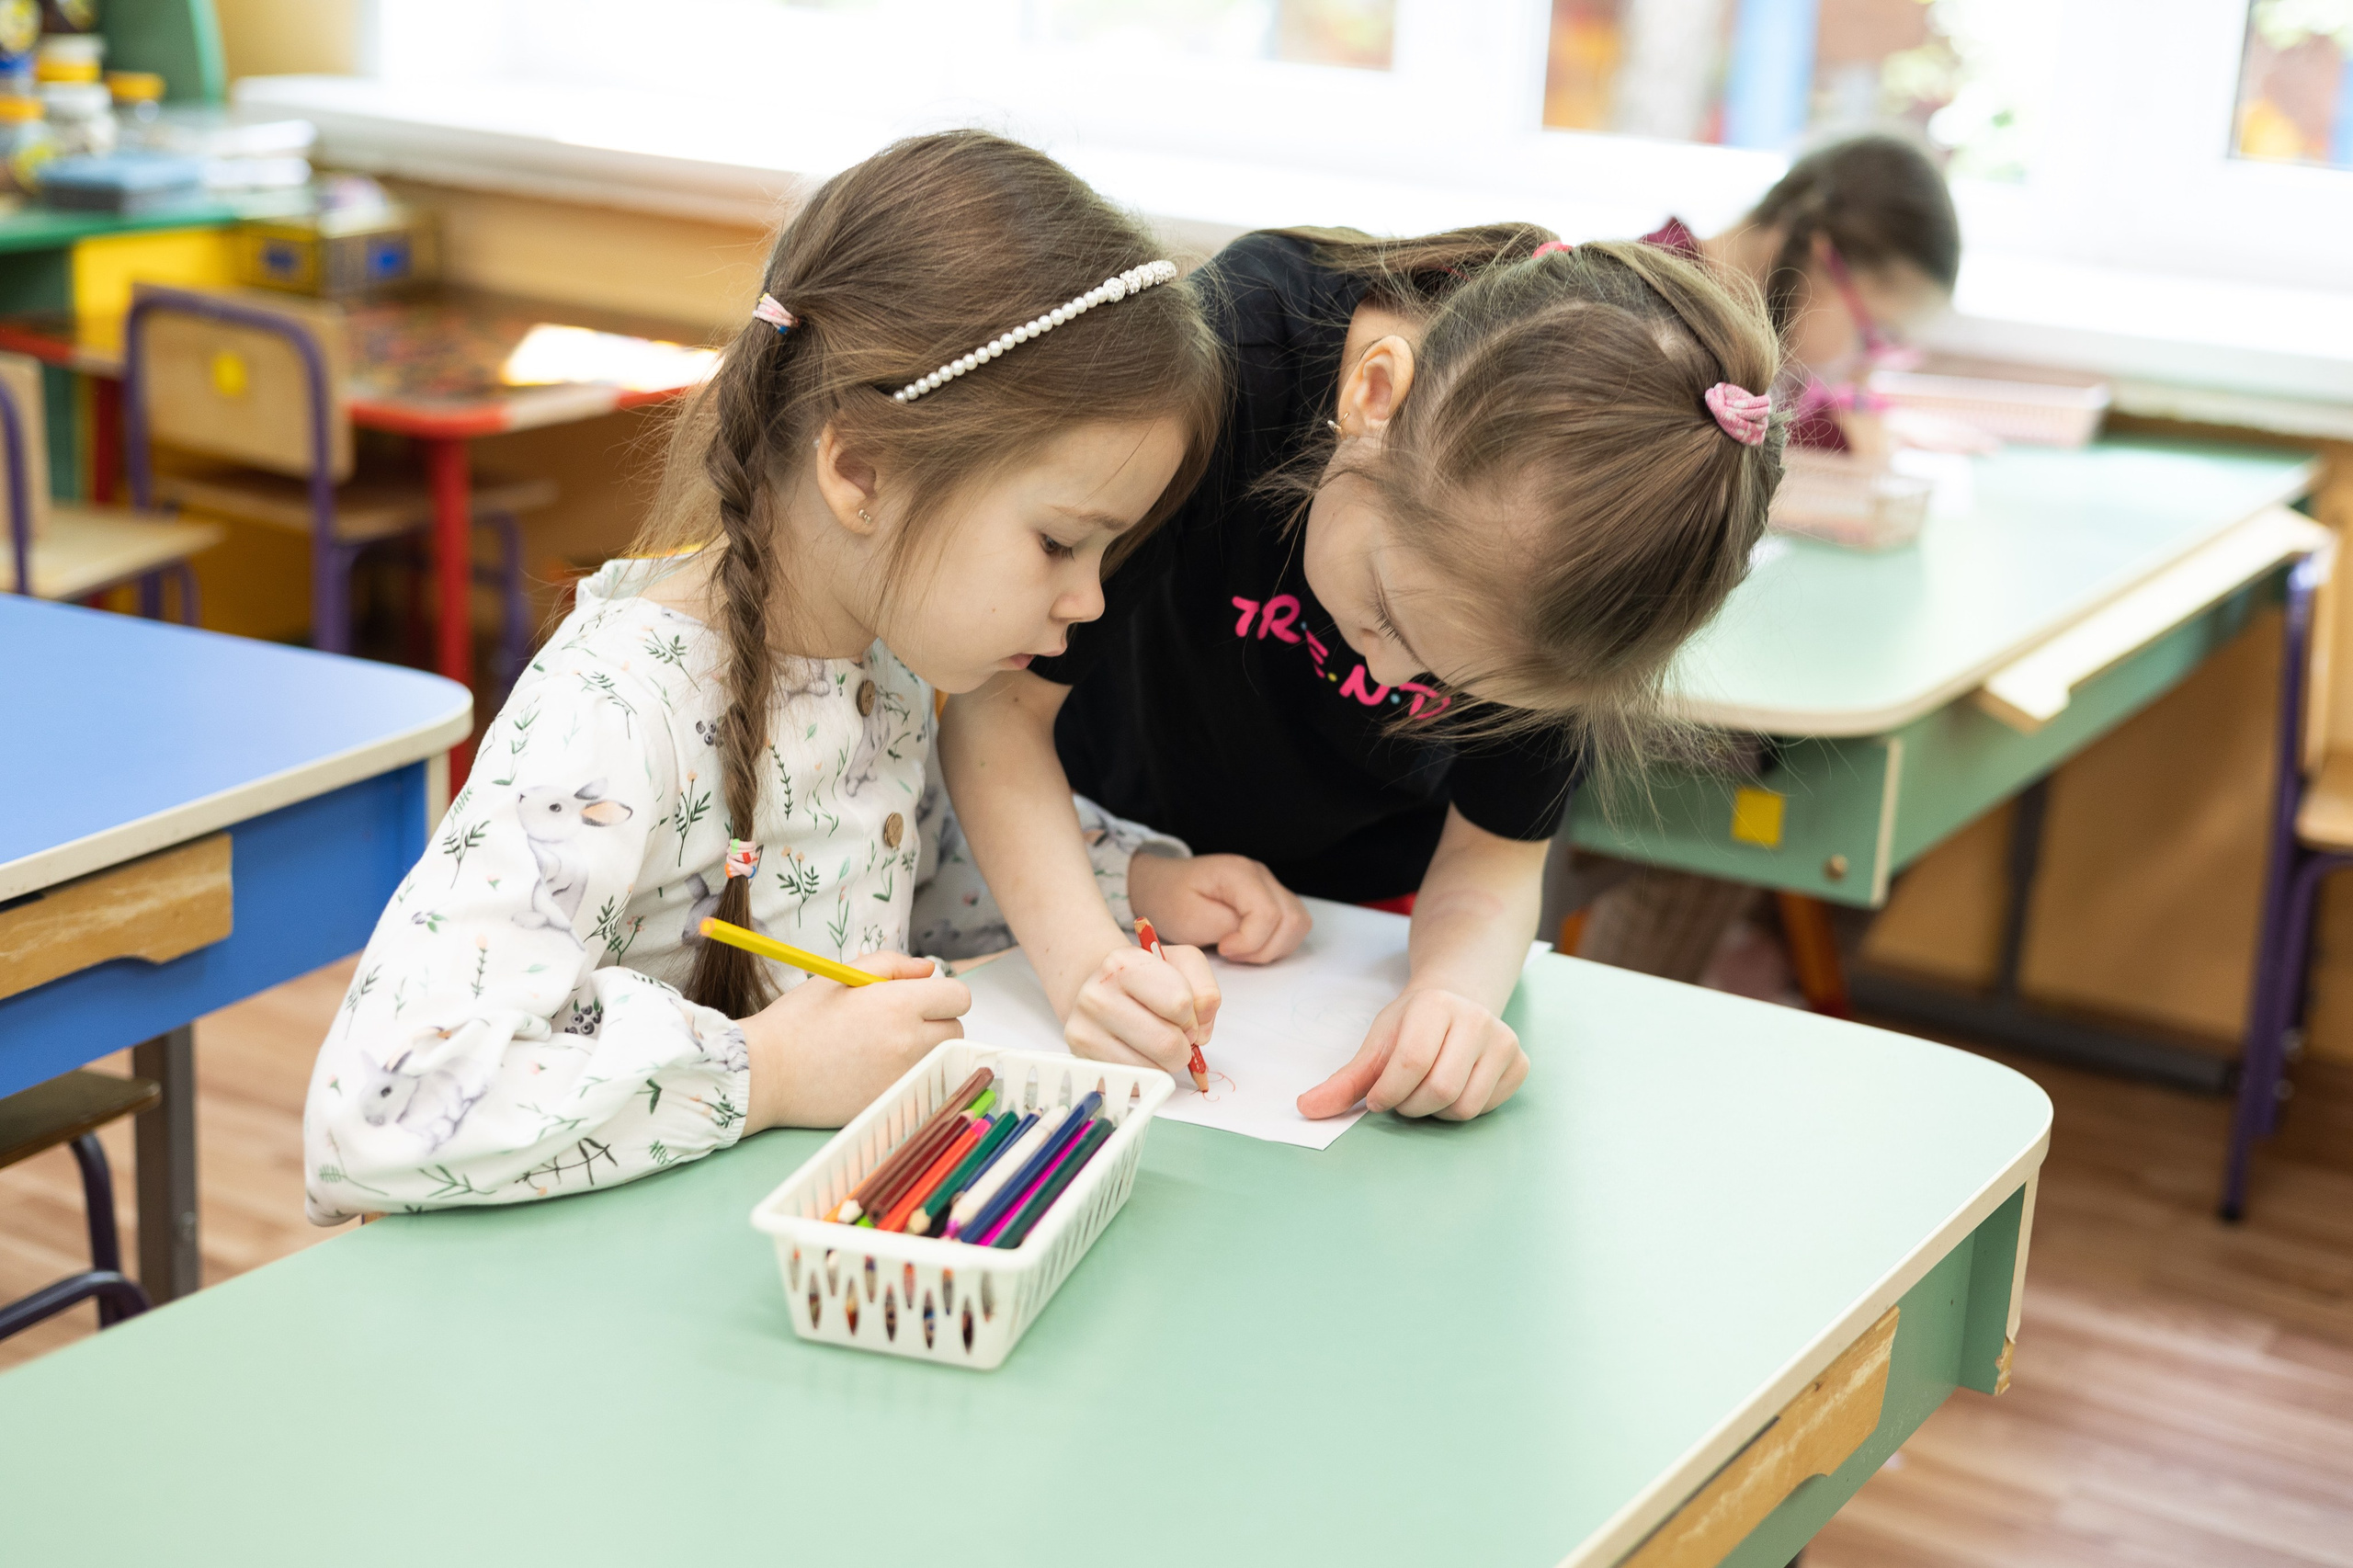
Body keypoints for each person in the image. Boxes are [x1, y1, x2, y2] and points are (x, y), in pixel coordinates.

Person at [301, 131, 1264, 1221]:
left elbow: (897, 874)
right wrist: (770, 1071)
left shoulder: (881, 669)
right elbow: (374, 1110)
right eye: (1058, 542)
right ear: (859, 469)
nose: (1090, 603)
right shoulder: (617, 709)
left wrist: (1128, 882)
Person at [940, 225, 1786, 1125]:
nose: (1383, 671)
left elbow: (1491, 856)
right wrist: (1085, 964)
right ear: (1373, 394)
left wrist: (1455, 996)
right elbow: (1000, 714)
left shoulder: (1585, 568)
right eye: (1386, 607)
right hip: (1079, 846)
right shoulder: (1232, 361)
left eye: (1461, 684)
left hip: (1351, 923)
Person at [1577, 133, 1963, 988]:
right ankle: (1640, 1008)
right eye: (1876, 334)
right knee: (1735, 771)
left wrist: (1844, 419)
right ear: (1824, 263)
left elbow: (1798, 415)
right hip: (1584, 647)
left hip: (1680, 645)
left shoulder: (1749, 321)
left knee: (1886, 753)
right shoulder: (1647, 302)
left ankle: (1750, 972)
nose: (1866, 362)